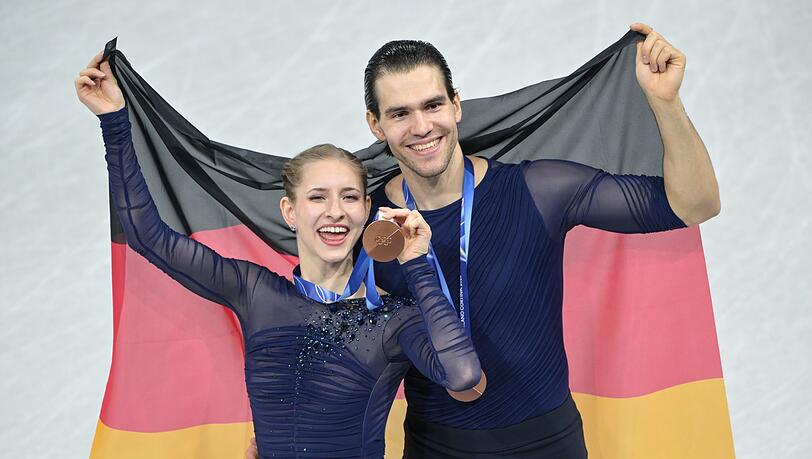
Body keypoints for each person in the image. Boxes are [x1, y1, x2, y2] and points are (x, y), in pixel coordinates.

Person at [76, 52, 485, 459]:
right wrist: (113, 120)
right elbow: (148, 236)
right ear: (290, 212)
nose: (335, 211)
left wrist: (416, 261)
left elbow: (462, 374)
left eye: (349, 197)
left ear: (366, 210)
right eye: (317, 197)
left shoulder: (394, 320)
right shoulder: (255, 292)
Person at [353, 22, 720, 458]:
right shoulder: (362, 224)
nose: (421, 126)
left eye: (432, 105)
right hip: (435, 447)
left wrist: (666, 104)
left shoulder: (539, 191)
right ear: (376, 125)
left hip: (549, 445)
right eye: (399, 114)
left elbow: (695, 205)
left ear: (456, 106)